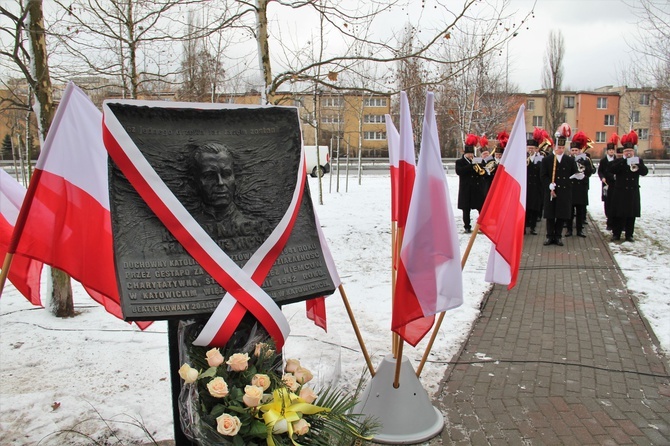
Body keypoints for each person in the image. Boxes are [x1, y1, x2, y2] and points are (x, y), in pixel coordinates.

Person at [190, 142, 270, 238]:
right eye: (210, 176)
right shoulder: (186, 231)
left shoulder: (259, 228)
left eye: (226, 174)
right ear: (195, 183)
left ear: (235, 179)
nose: (220, 183)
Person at [540, 123, 578, 246]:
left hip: (564, 191)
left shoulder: (569, 160)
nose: (560, 150)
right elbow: (543, 175)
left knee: (561, 215)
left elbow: (573, 173)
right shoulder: (547, 160)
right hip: (551, 191)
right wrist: (548, 185)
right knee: (550, 215)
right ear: (554, 147)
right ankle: (549, 236)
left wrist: (576, 176)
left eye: (562, 148)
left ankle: (558, 236)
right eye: (558, 148)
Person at [608, 131, 648, 242]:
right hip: (620, 191)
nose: (628, 153)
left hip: (632, 191)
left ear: (633, 151)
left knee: (631, 215)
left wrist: (638, 164)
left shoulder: (638, 161)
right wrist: (625, 161)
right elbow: (612, 170)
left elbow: (644, 172)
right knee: (619, 214)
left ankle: (629, 235)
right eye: (626, 151)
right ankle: (616, 234)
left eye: (630, 151)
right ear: (624, 152)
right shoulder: (619, 161)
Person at [456, 134, 487, 233]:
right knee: (466, 210)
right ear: (465, 154)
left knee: (481, 208)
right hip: (466, 189)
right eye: (469, 154)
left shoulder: (477, 160)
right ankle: (467, 226)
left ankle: (481, 225)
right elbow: (459, 172)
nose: (470, 155)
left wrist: (480, 167)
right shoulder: (459, 162)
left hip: (477, 189)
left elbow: (482, 172)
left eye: (471, 154)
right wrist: (470, 166)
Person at [565, 131, 594, 237]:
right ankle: (569, 229)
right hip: (571, 187)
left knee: (581, 210)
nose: (574, 152)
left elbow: (591, 172)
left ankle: (579, 230)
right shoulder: (567, 160)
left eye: (576, 150)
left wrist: (585, 168)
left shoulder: (586, 159)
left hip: (581, 188)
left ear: (580, 150)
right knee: (570, 211)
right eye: (572, 150)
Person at [525, 128, 547, 235]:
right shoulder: (523, 158)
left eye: (532, 148)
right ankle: (523, 227)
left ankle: (533, 227)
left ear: (536, 149)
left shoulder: (541, 158)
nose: (530, 150)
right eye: (528, 148)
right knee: (526, 209)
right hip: (526, 187)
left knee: (534, 209)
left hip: (537, 187)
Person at [598, 133, 618, 230]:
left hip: (615, 185)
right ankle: (608, 222)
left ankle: (613, 222)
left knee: (614, 203)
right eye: (609, 150)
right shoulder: (603, 161)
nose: (611, 152)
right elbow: (600, 171)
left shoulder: (617, 160)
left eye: (612, 150)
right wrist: (602, 177)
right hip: (606, 184)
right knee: (607, 202)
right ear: (607, 151)